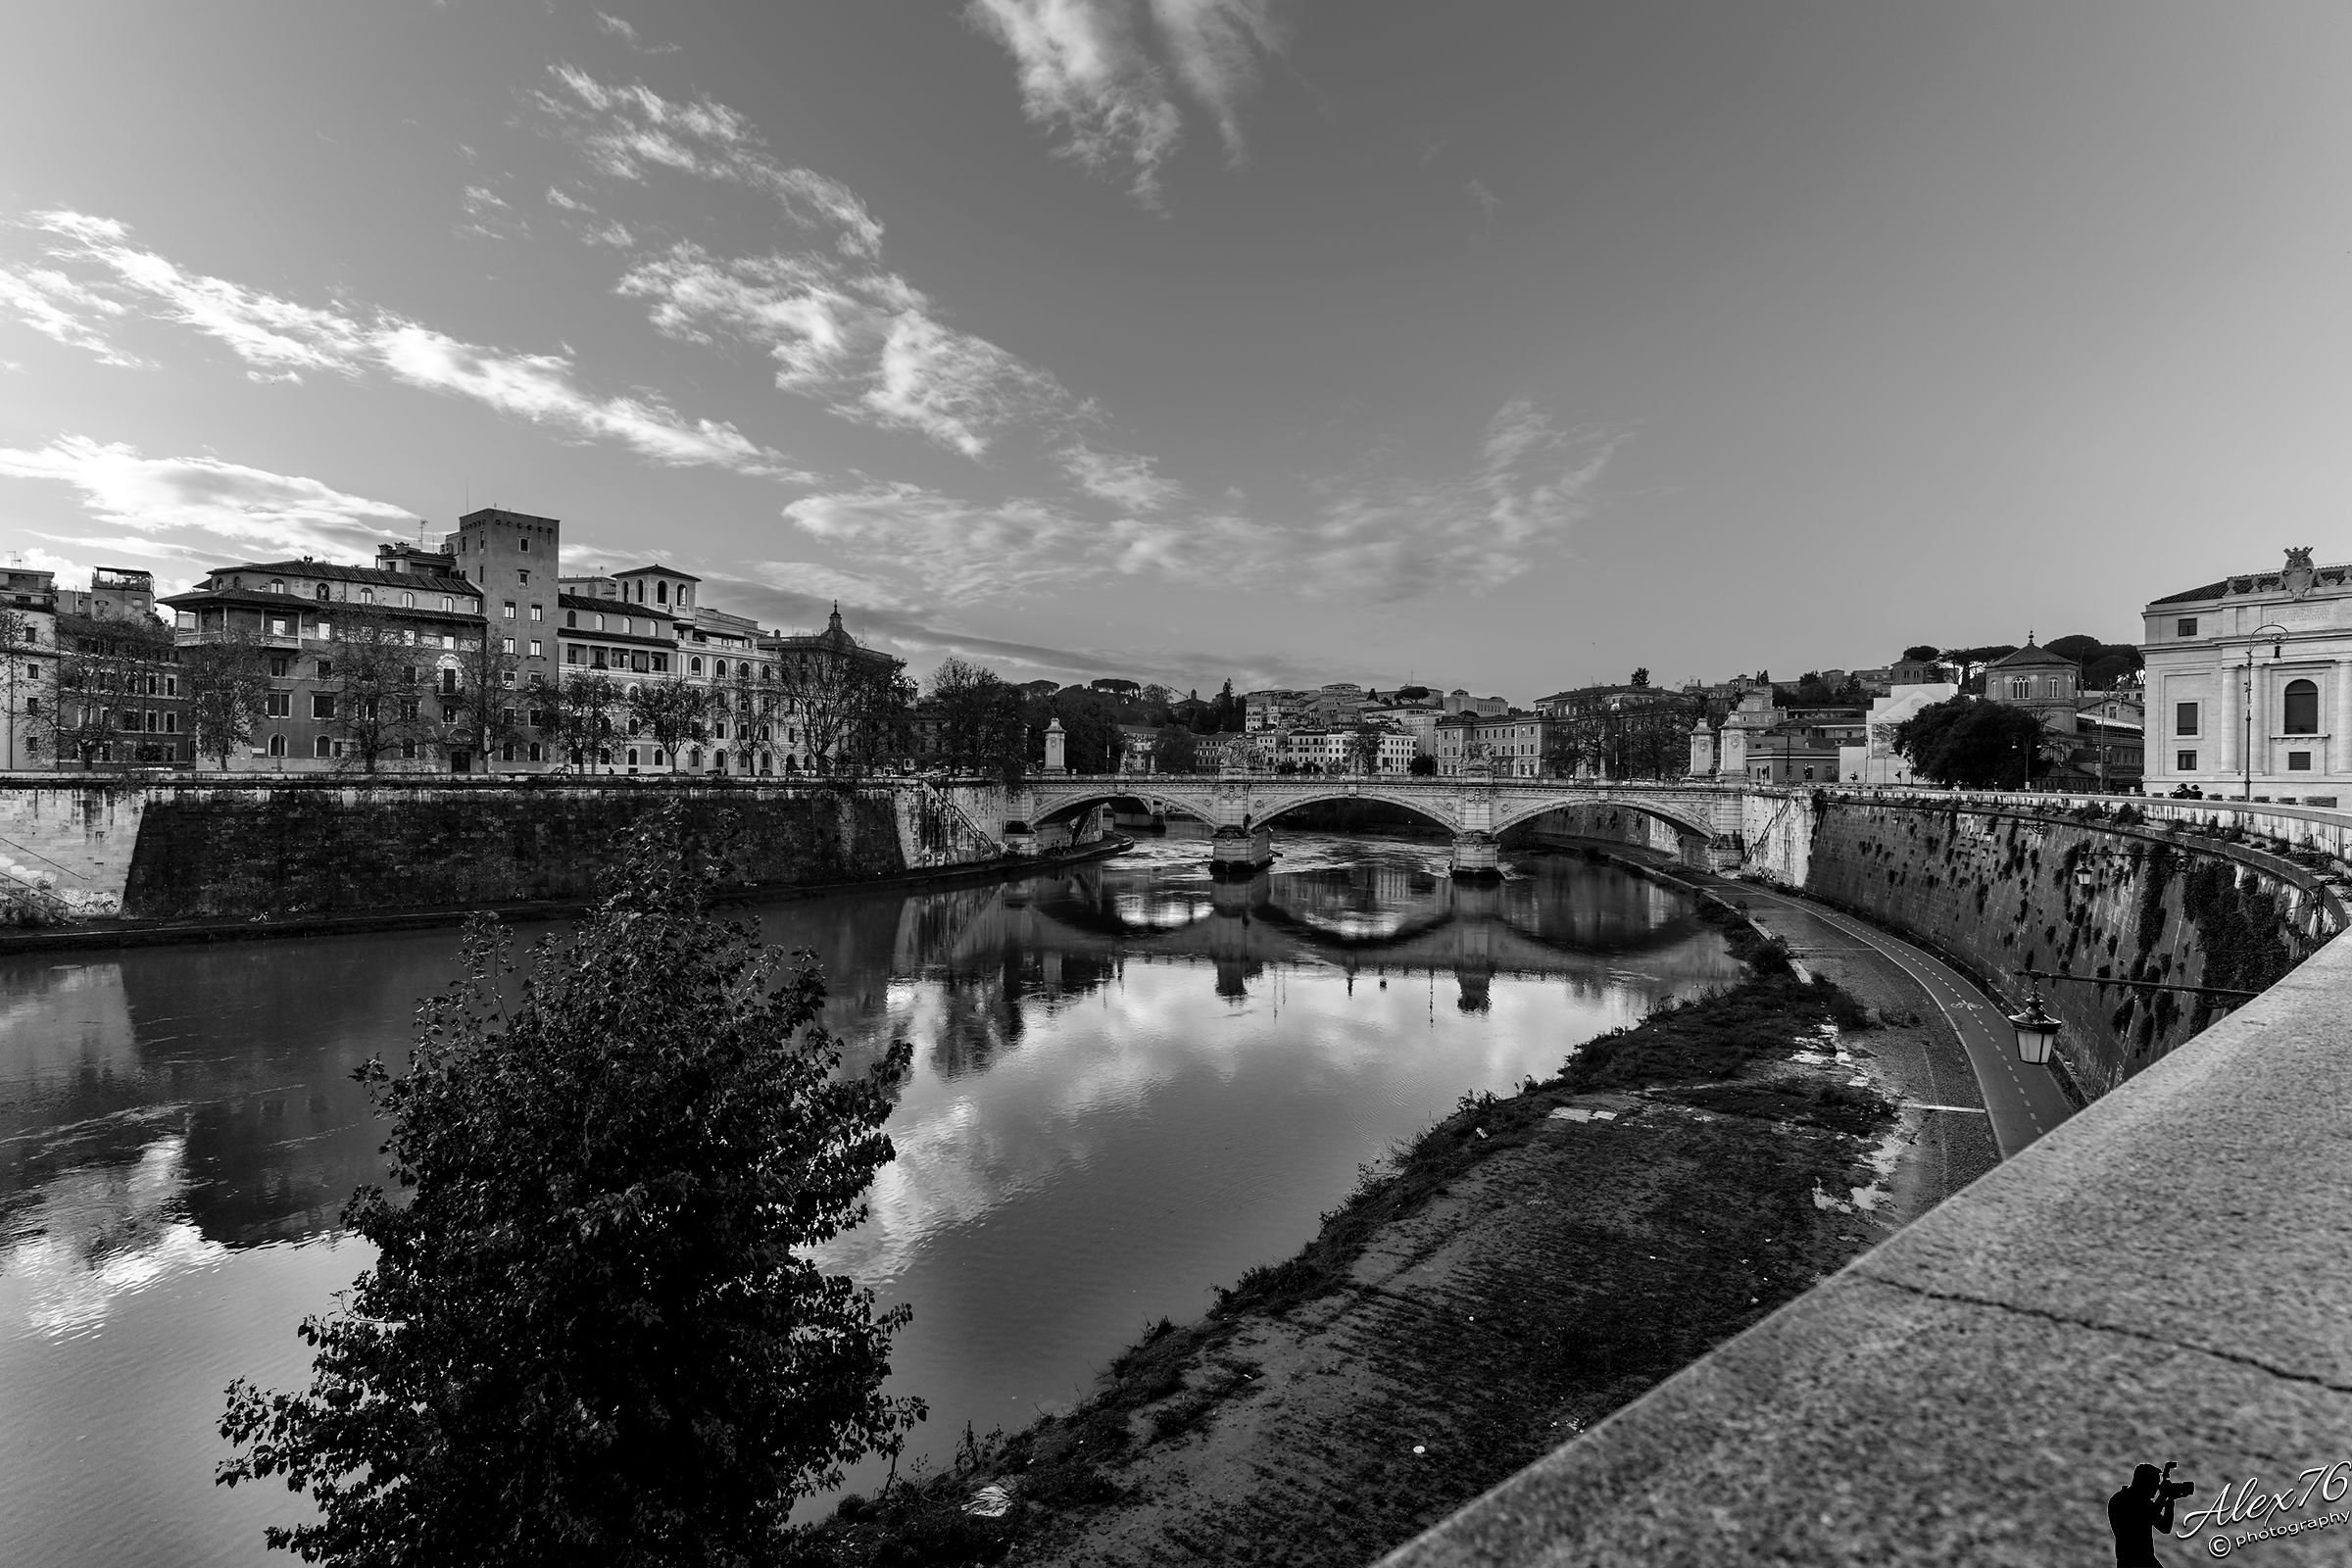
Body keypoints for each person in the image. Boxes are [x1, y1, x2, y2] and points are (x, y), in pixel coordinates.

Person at [2108, 1463, 2179, 1566]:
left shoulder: (2118, 1499)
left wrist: (2166, 1499)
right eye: (2154, 1484)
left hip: (2129, 1561)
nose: (2157, 1488)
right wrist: (2167, 1499)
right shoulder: (2134, 1502)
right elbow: (2161, 1525)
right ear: (2145, 1483)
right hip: (2140, 1561)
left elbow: (2154, 1518)